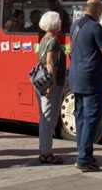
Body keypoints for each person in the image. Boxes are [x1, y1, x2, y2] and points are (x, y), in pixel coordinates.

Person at [69, 0, 102, 172]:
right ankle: (83, 159)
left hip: (77, 78)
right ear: (97, 9)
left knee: (81, 118)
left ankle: (84, 154)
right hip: (93, 80)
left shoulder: (75, 25)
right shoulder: (95, 27)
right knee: (92, 119)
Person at [36, 11, 67, 165]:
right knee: (49, 118)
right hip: (50, 84)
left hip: (41, 82)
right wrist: (53, 82)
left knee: (44, 117)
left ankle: (44, 150)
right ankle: (46, 153)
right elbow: (50, 63)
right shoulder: (53, 41)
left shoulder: (44, 39)